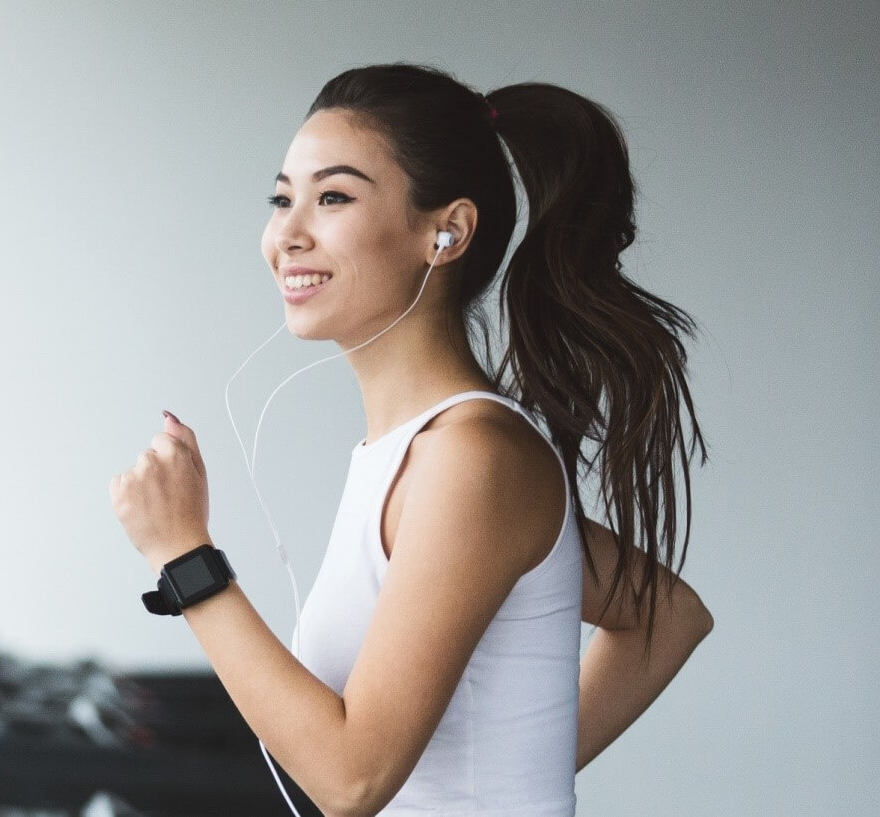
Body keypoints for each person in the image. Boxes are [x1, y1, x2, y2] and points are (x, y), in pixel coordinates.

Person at [109, 61, 714, 816]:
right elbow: (668, 614)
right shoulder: (428, 453)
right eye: (281, 198)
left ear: (446, 231)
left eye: (331, 197)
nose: (286, 234)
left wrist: (182, 556)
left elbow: (350, 779)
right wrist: (513, 766)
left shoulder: (473, 458)